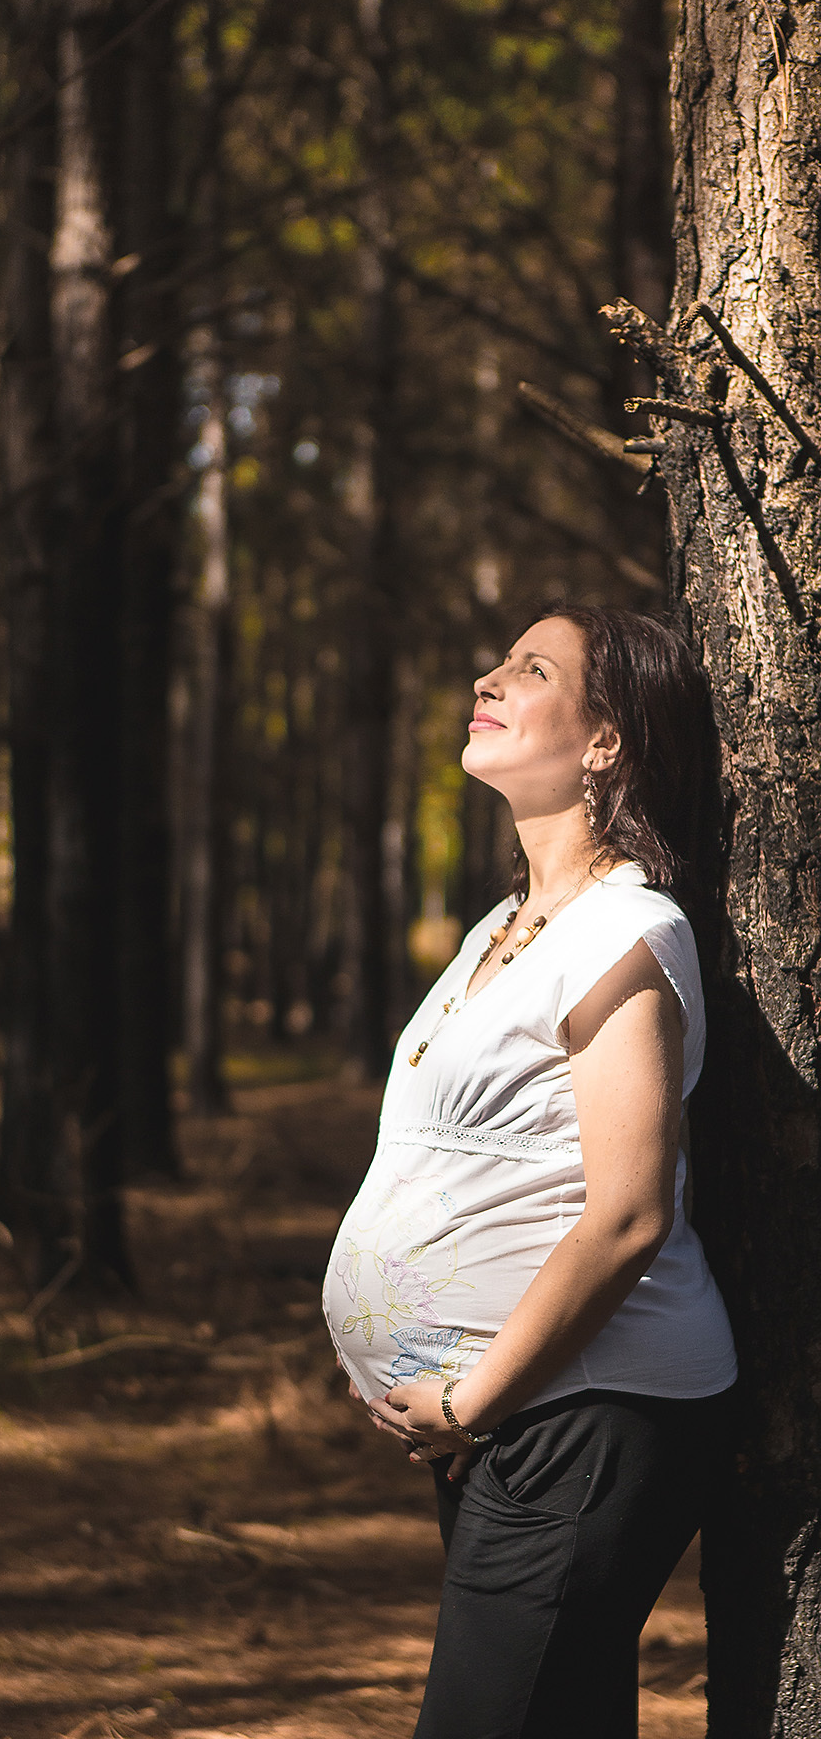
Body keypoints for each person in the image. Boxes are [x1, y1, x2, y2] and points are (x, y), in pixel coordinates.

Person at [321, 606, 736, 1739]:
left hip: (586, 1410)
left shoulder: (627, 929)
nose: (488, 679)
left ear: (605, 740)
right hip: (511, 1413)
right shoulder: (505, 927)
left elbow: (630, 1215)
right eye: (499, 661)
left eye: (532, 668)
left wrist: (472, 1400)